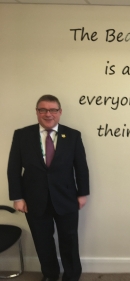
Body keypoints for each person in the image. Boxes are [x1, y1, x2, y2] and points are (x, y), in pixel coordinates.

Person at [7, 95, 90, 281]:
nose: (48, 114)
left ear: (60, 112)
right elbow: (13, 168)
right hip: (33, 199)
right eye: (43, 109)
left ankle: (72, 275)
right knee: (43, 242)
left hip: (66, 197)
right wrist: (17, 197)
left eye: (53, 110)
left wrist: (82, 194)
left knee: (69, 240)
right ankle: (50, 275)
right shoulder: (22, 135)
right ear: (37, 112)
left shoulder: (73, 135)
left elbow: (81, 167)